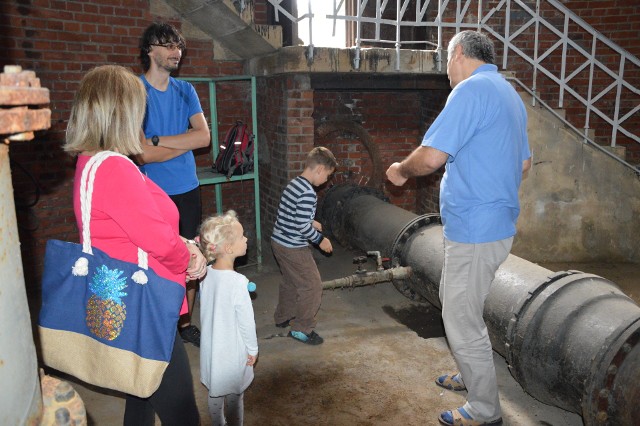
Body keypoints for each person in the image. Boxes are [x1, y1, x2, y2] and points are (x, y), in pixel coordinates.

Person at [386, 31, 531, 426]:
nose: (446, 71)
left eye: (446, 62)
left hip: (473, 228)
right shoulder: (509, 95)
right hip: (497, 225)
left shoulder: (469, 92)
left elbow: (431, 157)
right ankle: (473, 378)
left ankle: (485, 410)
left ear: (459, 55)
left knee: (461, 320)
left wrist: (400, 170)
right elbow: (523, 165)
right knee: (465, 310)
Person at [63, 65, 206, 425]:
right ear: (121, 112)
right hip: (144, 306)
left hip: (122, 298)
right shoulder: (116, 168)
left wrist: (181, 242)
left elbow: (133, 227)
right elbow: (157, 240)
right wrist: (188, 256)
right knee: (182, 413)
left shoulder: (90, 161)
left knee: (141, 399)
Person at [136, 21, 211, 347]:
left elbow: (205, 137)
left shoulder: (186, 91)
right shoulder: (136, 91)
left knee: (191, 258)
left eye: (178, 46)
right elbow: (142, 155)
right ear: (150, 50)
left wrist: (157, 141)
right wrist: (184, 142)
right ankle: (160, 325)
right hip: (153, 193)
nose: (176, 52)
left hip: (187, 189)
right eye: (168, 45)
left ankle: (184, 325)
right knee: (156, 261)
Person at [197, 211, 259, 426]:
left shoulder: (204, 274)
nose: (247, 239)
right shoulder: (238, 282)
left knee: (215, 392)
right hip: (231, 353)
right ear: (229, 248)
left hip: (212, 350)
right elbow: (246, 323)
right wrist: (252, 349)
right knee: (234, 395)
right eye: (242, 236)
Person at [271, 146, 337, 345]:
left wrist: (311, 221)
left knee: (291, 281)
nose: (326, 180)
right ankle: (302, 329)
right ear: (319, 170)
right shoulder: (309, 193)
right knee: (312, 285)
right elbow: (301, 225)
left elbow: (292, 213)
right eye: (327, 175)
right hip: (293, 247)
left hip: (278, 241)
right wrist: (320, 240)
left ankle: (283, 316)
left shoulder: (294, 184)